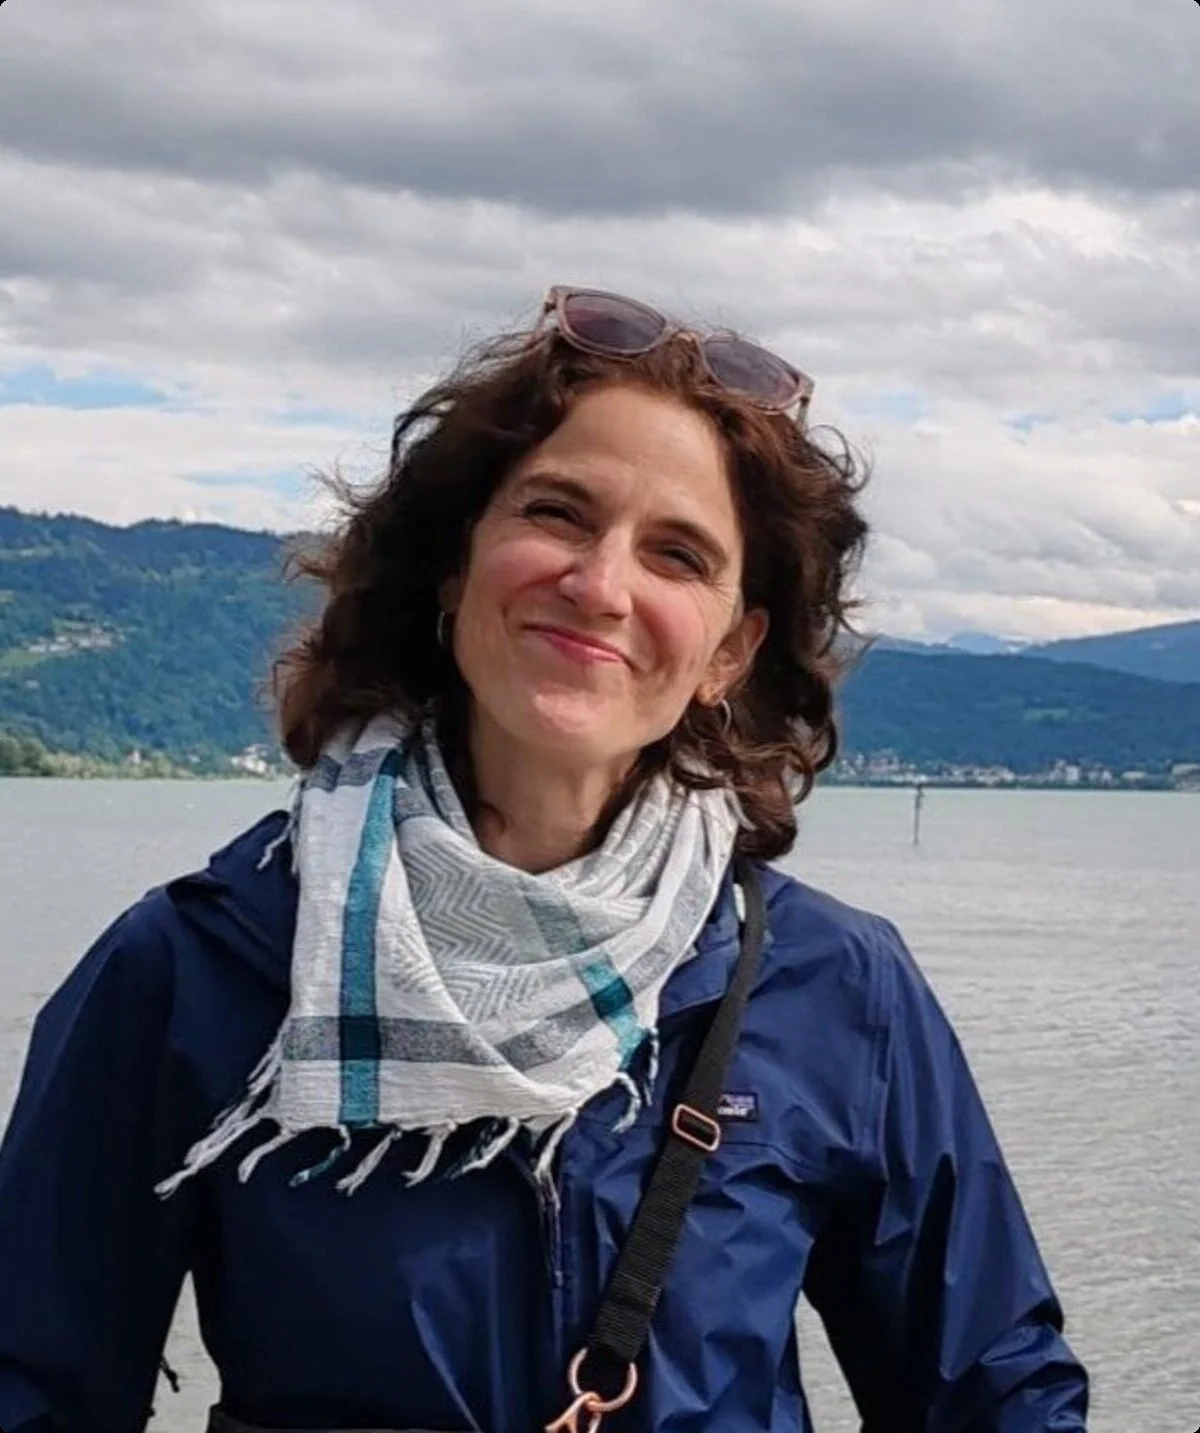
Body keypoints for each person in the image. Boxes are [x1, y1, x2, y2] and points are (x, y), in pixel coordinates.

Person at [0, 286, 1089, 1433]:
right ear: (456, 565)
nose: (601, 584)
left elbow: (992, 1389)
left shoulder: (839, 990)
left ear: (729, 648)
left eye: (677, 553)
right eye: (560, 513)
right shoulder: (203, 964)